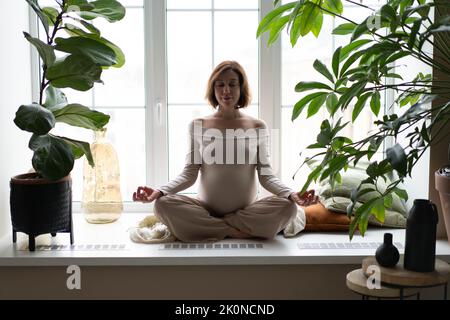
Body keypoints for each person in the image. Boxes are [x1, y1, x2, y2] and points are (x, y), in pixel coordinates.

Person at [133, 61, 318, 242]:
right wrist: (159, 191)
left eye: (232, 84)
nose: (226, 90)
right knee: (163, 205)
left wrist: (291, 194)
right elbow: (189, 174)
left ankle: (212, 228)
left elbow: (267, 176)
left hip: (246, 211)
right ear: (213, 89)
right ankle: (237, 231)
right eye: (220, 85)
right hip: (205, 209)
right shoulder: (198, 125)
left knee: (288, 207)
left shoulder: (257, 126)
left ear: (241, 88)